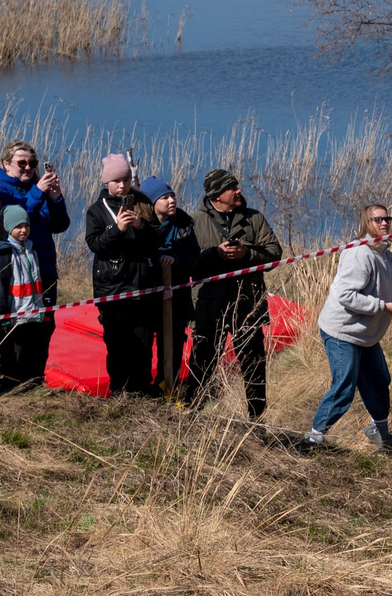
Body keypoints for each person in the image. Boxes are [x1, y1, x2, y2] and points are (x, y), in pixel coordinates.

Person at [307, 204, 392, 452]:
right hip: (342, 331)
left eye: (387, 218)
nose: (384, 223)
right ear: (366, 223)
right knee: (344, 386)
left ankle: (382, 437)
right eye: (378, 220)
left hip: (367, 335)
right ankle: (313, 439)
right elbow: (345, 295)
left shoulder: (386, 253)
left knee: (379, 380)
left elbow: (390, 289)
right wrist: (383, 307)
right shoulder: (358, 253)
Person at [189, 169, 282, 420]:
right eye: (233, 188)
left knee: (254, 366)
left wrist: (247, 254)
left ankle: (257, 421)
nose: (239, 190)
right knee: (202, 363)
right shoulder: (195, 222)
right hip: (209, 307)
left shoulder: (254, 219)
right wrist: (213, 255)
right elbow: (187, 264)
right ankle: (190, 416)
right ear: (217, 195)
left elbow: (274, 254)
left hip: (248, 304)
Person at [84, 153, 163, 396]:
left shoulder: (141, 203)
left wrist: (141, 226)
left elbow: (157, 239)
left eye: (126, 179)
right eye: (117, 180)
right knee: (117, 343)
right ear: (106, 182)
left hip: (142, 284)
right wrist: (117, 229)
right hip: (112, 286)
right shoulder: (97, 210)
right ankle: (119, 391)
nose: (122, 185)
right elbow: (96, 245)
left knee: (142, 342)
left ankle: (141, 389)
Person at [142, 177, 201, 396]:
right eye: (164, 197)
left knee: (173, 343)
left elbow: (194, 258)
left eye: (172, 196)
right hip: (148, 297)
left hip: (177, 293)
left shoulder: (183, 223)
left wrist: (175, 259)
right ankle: (143, 390)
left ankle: (167, 386)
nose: (171, 200)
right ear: (152, 202)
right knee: (144, 344)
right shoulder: (142, 224)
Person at [0, 142, 71, 309]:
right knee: (23, 326)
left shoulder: (37, 186)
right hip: (18, 271)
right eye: (22, 163)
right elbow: (13, 222)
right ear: (6, 164)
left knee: (46, 324)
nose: (28, 168)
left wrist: (55, 199)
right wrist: (37, 192)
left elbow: (60, 226)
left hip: (45, 267)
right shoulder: (2, 189)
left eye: (32, 163)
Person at [0, 205, 48, 393]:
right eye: (18, 226)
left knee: (33, 352)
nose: (23, 230)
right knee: (14, 354)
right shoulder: (5, 253)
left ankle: (32, 385)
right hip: (15, 316)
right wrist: (3, 314)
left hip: (34, 313)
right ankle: (14, 388)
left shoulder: (31, 250)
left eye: (26, 225)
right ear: (9, 227)